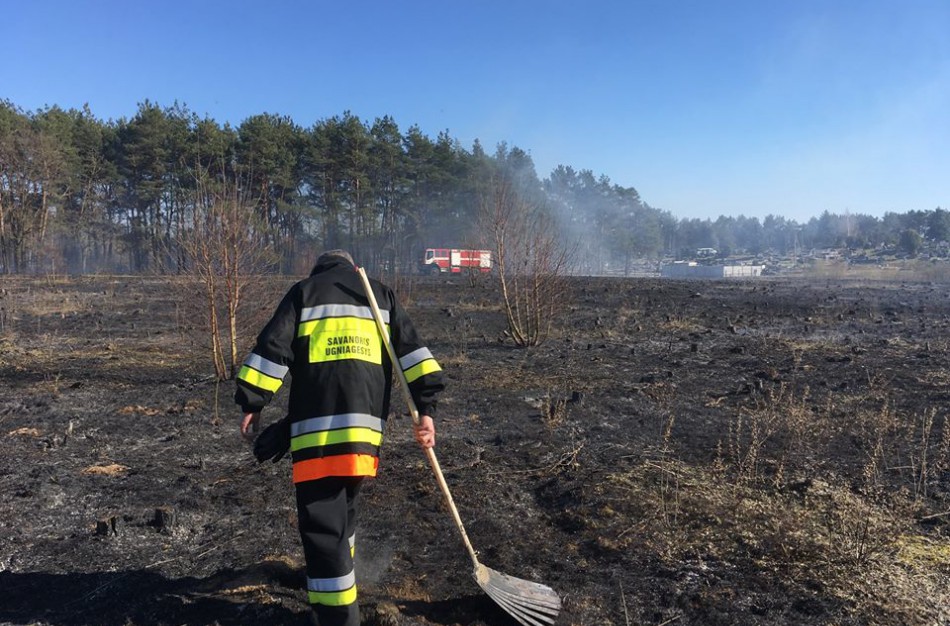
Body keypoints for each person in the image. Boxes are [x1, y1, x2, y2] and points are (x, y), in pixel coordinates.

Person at [235, 249, 444, 626]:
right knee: (341, 514)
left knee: (322, 527)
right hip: (365, 434)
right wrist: (426, 410)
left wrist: (252, 401)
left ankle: (337, 617)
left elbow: (273, 350)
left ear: (320, 268)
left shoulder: (305, 293)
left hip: (320, 434)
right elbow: (415, 356)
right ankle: (341, 581)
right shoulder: (380, 294)